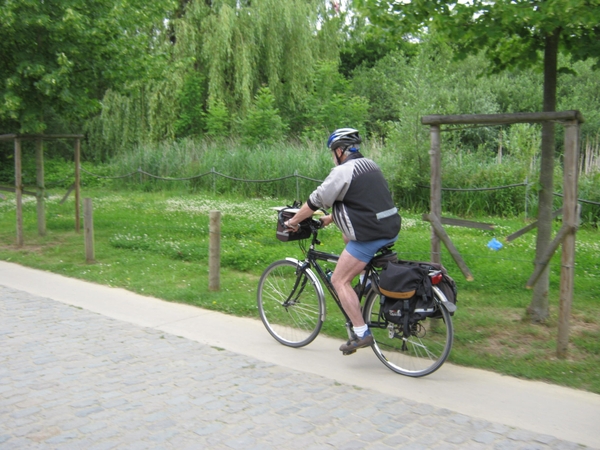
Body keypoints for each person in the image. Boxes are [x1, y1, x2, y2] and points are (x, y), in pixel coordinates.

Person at [284, 128, 401, 354]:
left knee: (339, 280)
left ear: (339, 151)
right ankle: (366, 283)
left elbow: (316, 200)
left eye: (332, 152)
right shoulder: (370, 165)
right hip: (390, 227)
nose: (333, 156)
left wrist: (294, 221)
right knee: (347, 235)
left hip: (371, 234)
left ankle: (361, 333)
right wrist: (331, 218)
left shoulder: (343, 171)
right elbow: (363, 201)